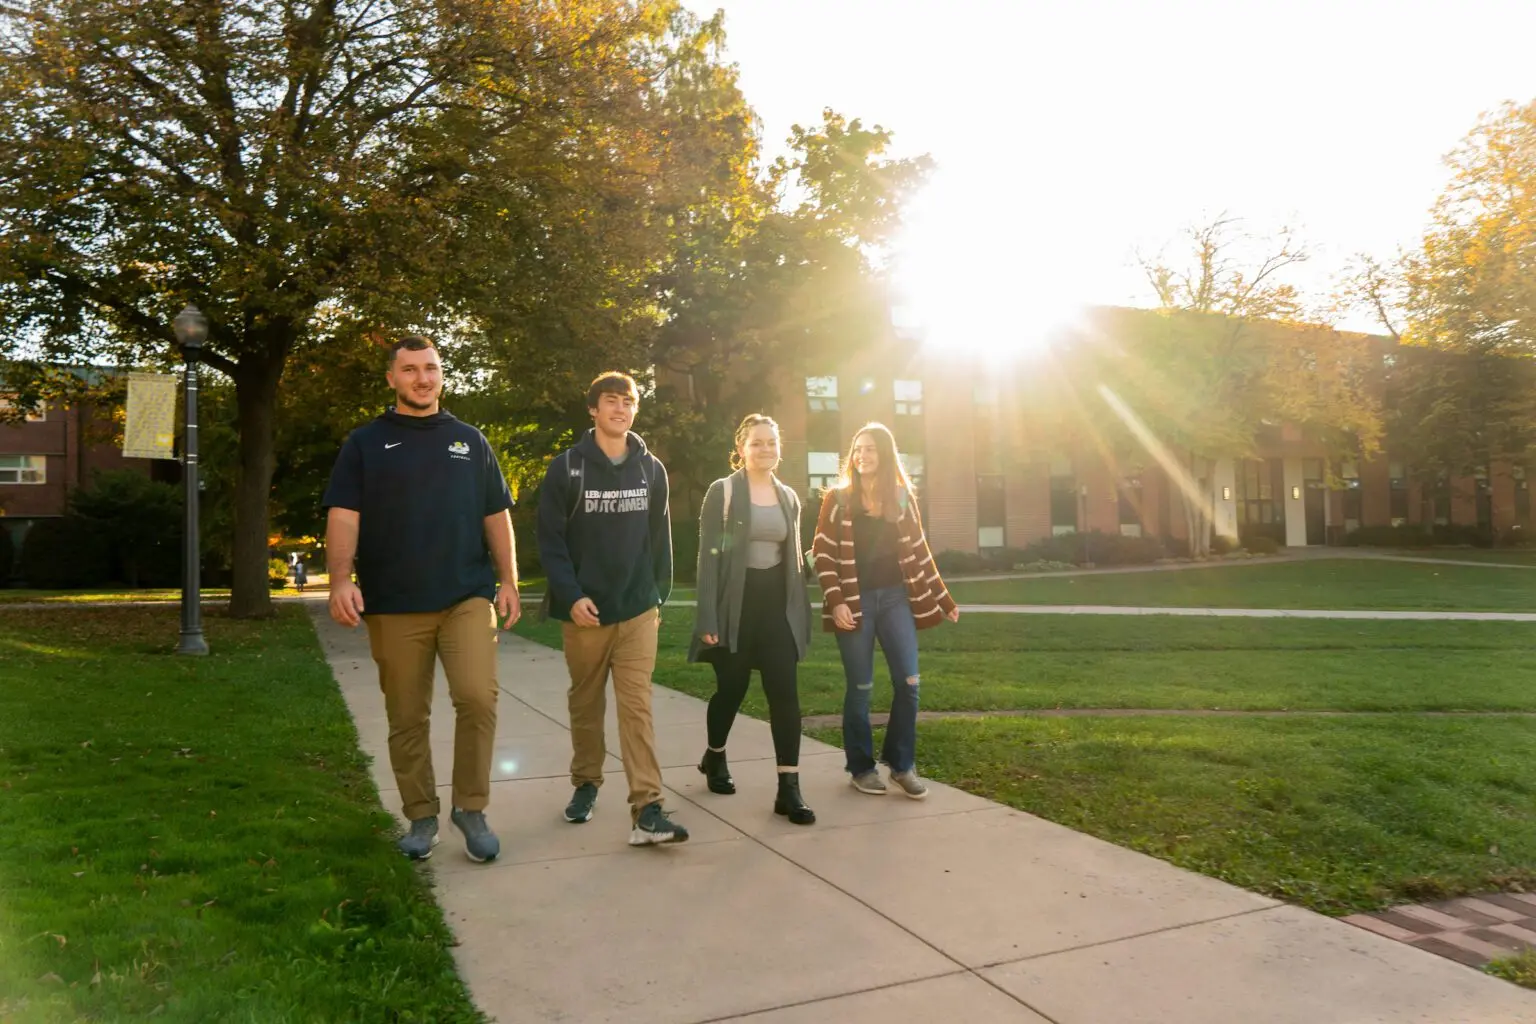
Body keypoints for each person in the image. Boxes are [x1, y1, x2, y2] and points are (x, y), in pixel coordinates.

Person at [322, 334, 520, 863]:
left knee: (478, 698)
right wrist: (341, 579)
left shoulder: (470, 441)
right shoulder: (364, 443)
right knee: (407, 716)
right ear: (392, 378)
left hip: (465, 597)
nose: (423, 378)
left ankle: (471, 808)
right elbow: (343, 514)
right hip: (394, 602)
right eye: (410, 369)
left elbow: (496, 514)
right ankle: (421, 815)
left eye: (430, 368)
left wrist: (509, 579)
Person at [536, 371, 688, 846]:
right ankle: (586, 782)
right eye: (610, 401)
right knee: (585, 703)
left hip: (638, 609)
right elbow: (551, 541)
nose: (620, 409)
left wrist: (658, 593)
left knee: (636, 707)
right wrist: (571, 595)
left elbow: (659, 538)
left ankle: (647, 808)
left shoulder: (651, 469)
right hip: (585, 613)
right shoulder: (567, 468)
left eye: (628, 401)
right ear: (593, 409)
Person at [812, 423, 958, 799]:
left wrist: (943, 598)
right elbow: (823, 553)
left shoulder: (902, 498)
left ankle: (901, 764)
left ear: (885, 454)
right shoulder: (839, 499)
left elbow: (921, 552)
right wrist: (836, 599)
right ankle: (861, 768)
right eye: (858, 449)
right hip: (854, 603)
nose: (862, 456)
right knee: (860, 688)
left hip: (895, 599)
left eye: (871, 449)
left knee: (909, 683)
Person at [690, 414, 815, 825]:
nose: (766, 449)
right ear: (741, 448)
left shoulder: (788, 497)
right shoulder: (722, 492)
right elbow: (708, 558)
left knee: (785, 694)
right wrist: (707, 614)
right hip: (735, 608)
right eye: (757, 443)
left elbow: (793, 558)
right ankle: (715, 756)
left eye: (772, 443)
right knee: (732, 688)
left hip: (776, 609)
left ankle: (789, 788)